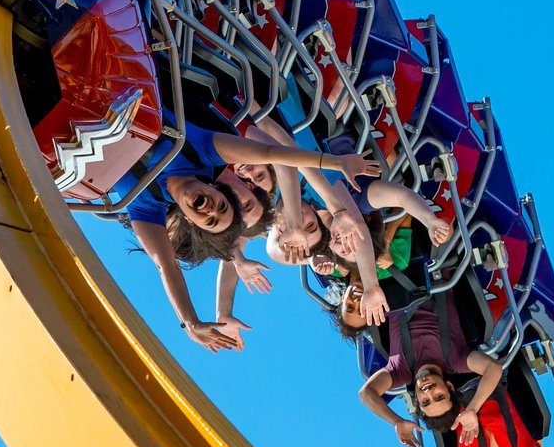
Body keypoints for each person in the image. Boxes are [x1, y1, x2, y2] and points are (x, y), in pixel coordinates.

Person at [126, 121, 379, 350]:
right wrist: (370, 284)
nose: (214, 209)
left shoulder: (149, 199)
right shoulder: (212, 154)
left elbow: (167, 263)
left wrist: (205, 315)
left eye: (212, 220)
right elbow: (278, 154)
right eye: (237, 205)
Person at [354, 297, 502, 447]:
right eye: (439, 396)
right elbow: (493, 367)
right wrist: (472, 408)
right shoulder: (456, 360)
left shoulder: (400, 371)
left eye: (425, 401)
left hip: (392, 282)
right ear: (449, 387)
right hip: (431, 276)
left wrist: (396, 421)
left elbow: (366, 393)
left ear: (417, 399)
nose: (428, 392)